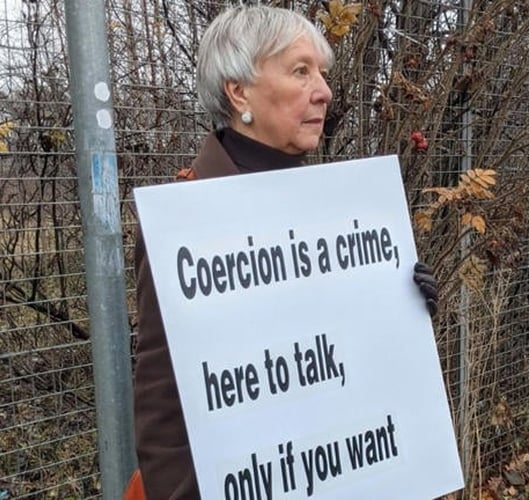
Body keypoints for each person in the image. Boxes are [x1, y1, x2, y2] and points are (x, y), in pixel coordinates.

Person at [130, 5, 438, 499]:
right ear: (239, 91)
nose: (324, 90)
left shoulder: (340, 208)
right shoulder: (184, 221)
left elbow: (342, 355)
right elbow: (162, 406)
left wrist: (403, 307)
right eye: (301, 71)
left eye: (321, 72)